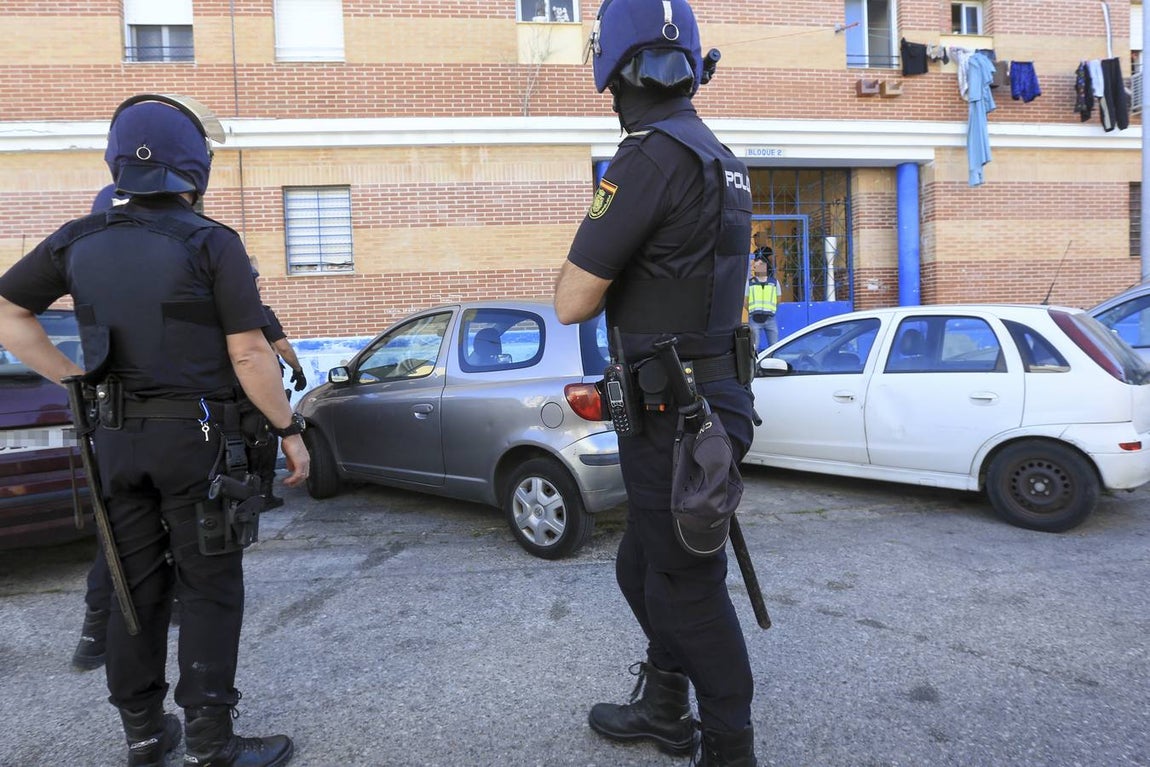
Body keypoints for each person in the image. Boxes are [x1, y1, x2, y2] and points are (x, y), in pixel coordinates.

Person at [0, 93, 309, 767]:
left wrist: (74, 379)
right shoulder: (210, 241)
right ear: (192, 167)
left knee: (132, 586)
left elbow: (7, 311)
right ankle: (210, 739)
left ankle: (143, 733)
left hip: (116, 442)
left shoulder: (75, 238)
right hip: (196, 446)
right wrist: (290, 427)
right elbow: (249, 353)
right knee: (209, 585)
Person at [553, 1, 758, 764]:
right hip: (709, 401)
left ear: (614, 68)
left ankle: (729, 747)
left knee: (686, 586)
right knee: (642, 562)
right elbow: (727, 299)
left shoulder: (645, 158)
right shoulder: (723, 158)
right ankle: (666, 700)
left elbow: (574, 297)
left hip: (673, 413)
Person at [745, 235, 779, 351]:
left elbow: (778, 298)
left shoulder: (773, 282)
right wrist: (751, 310)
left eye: (757, 238)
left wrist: (772, 309)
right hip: (755, 317)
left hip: (770, 316)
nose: (756, 241)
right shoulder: (751, 283)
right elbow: (745, 299)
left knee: (774, 346)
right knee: (754, 346)